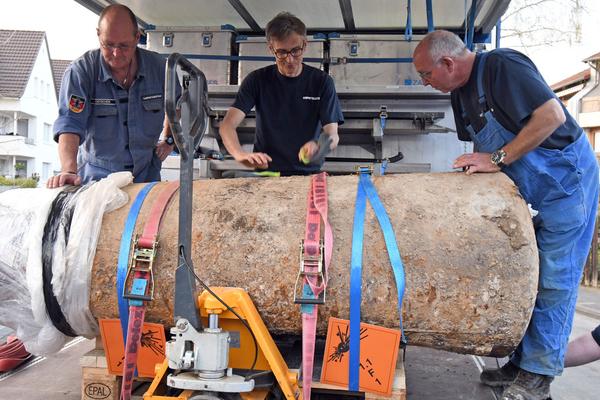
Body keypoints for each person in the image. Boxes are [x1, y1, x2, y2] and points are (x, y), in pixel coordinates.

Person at [413, 30, 599, 400]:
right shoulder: (459, 95)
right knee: (524, 277)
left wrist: (497, 158)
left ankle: (538, 376)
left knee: (554, 282)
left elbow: (551, 115)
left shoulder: (501, 66)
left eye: (426, 75)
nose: (425, 82)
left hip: (567, 184)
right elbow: (479, 155)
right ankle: (520, 363)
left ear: (447, 63)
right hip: (532, 191)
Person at [48, 4, 175, 188]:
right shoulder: (81, 72)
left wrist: (169, 139)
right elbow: (70, 124)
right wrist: (69, 170)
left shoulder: (160, 69)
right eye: (108, 45)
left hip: (146, 177)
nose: (116, 54)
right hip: (97, 180)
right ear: (99, 35)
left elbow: (177, 107)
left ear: (137, 37)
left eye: (124, 46)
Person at [219, 12, 343, 176]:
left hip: (307, 175)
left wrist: (319, 146)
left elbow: (332, 134)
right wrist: (240, 155)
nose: (290, 59)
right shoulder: (257, 80)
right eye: (282, 52)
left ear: (304, 45)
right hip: (267, 173)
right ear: (271, 49)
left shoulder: (322, 82)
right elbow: (227, 125)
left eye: (295, 51)